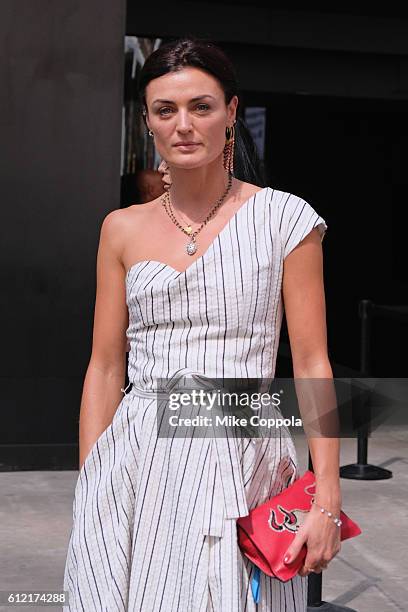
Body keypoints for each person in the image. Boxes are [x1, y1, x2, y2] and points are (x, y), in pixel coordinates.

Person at [63, 36, 341, 611]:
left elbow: (313, 362)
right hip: (136, 461)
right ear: (148, 123)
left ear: (231, 112)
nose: (184, 125)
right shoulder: (121, 228)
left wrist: (327, 500)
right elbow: (106, 363)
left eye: (201, 106)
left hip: (246, 453)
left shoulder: (284, 219)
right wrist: (92, 475)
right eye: (166, 110)